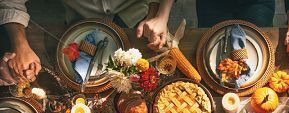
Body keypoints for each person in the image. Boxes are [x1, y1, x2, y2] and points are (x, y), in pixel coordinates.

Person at [0, 0, 175, 81]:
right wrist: (19, 45)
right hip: (80, 18)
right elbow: (10, 2)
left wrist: (159, 14)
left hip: (135, 14)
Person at [195, 0, 275, 28]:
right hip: (211, 4)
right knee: (207, 50)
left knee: (261, 48)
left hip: (257, 3)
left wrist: (288, 22)